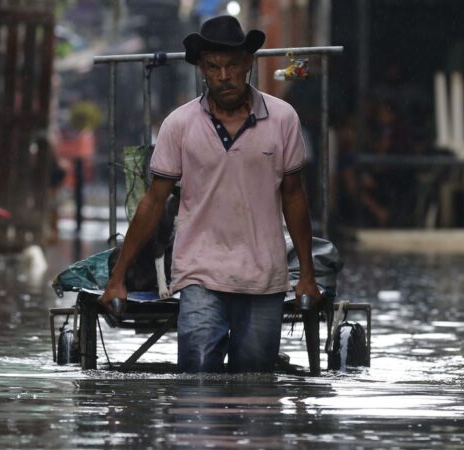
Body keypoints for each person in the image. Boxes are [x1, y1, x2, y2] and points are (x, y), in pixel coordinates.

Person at [99, 15, 320, 373]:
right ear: (202, 68)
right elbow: (154, 202)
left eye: (232, 66)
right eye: (214, 67)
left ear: (248, 64)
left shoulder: (283, 119)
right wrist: (118, 277)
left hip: (263, 274)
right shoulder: (180, 124)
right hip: (199, 272)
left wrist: (307, 274)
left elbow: (294, 197)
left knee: (255, 380)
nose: (223, 76)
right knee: (198, 376)